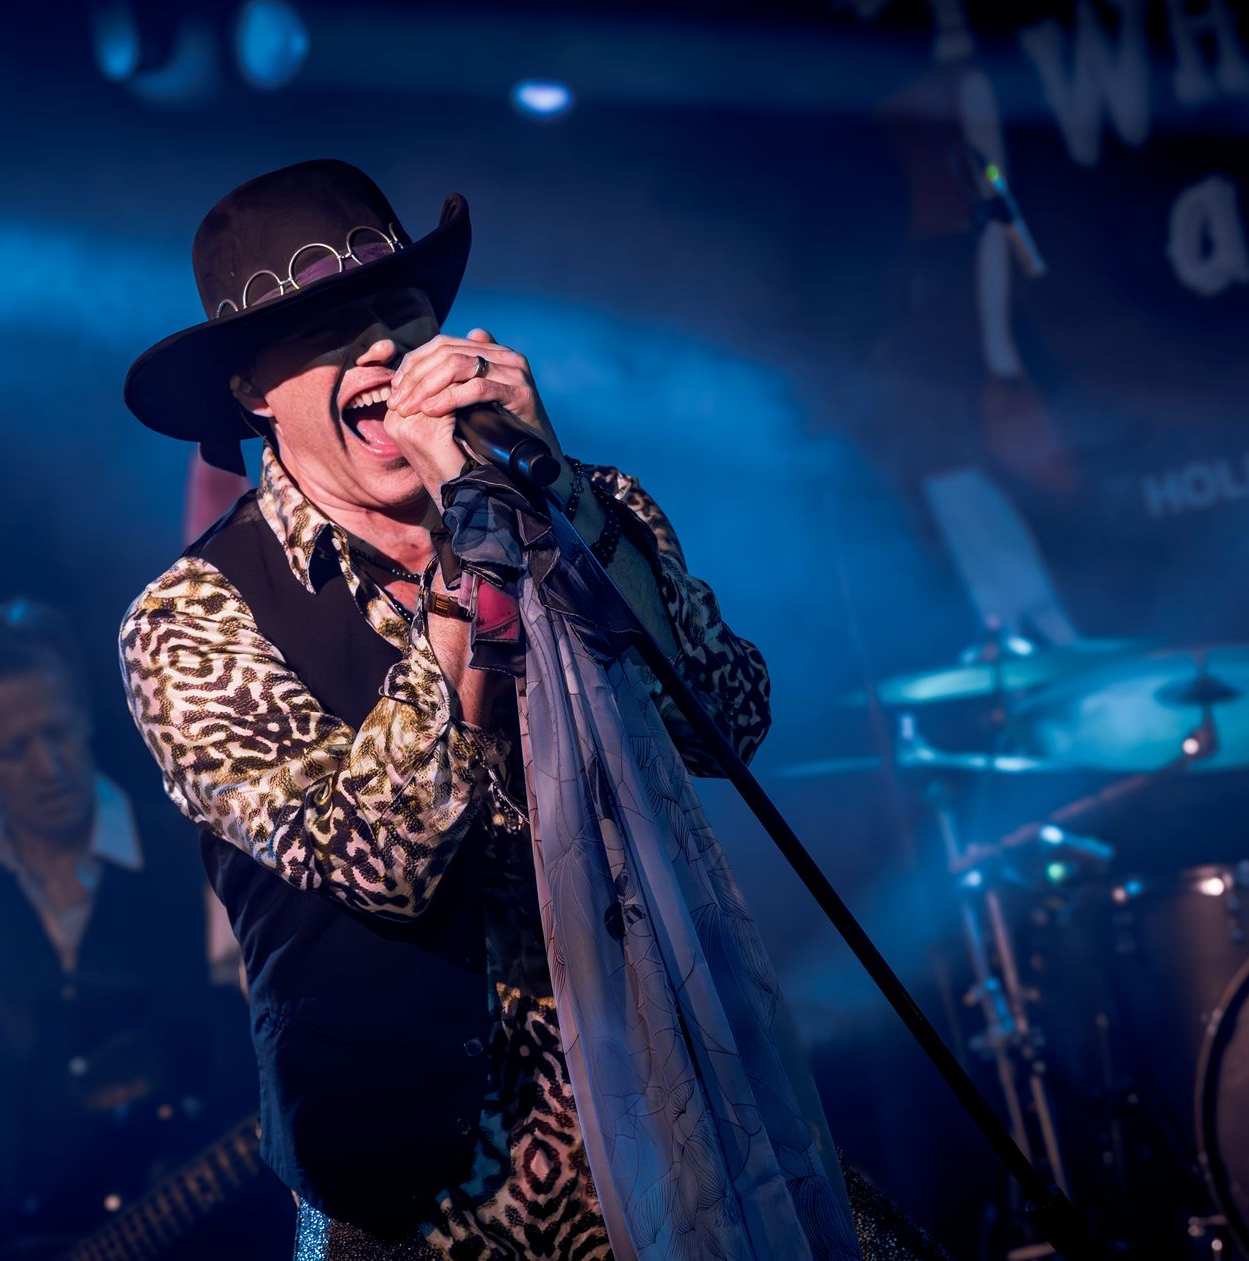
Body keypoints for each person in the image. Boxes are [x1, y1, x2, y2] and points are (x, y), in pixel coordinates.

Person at [118, 160, 945, 1261]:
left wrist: (556, 497)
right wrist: (468, 561)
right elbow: (386, 858)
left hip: (692, 1106)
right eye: (323, 330)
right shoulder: (192, 618)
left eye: (396, 310)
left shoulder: (576, 505)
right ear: (252, 391)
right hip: (432, 1196)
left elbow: (728, 719)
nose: (377, 348)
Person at [0, 601, 269, 1261]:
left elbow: (300, 1031)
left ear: (86, 710)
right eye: (13, 749)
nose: (48, 766)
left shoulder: (205, 855)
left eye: (57, 730)